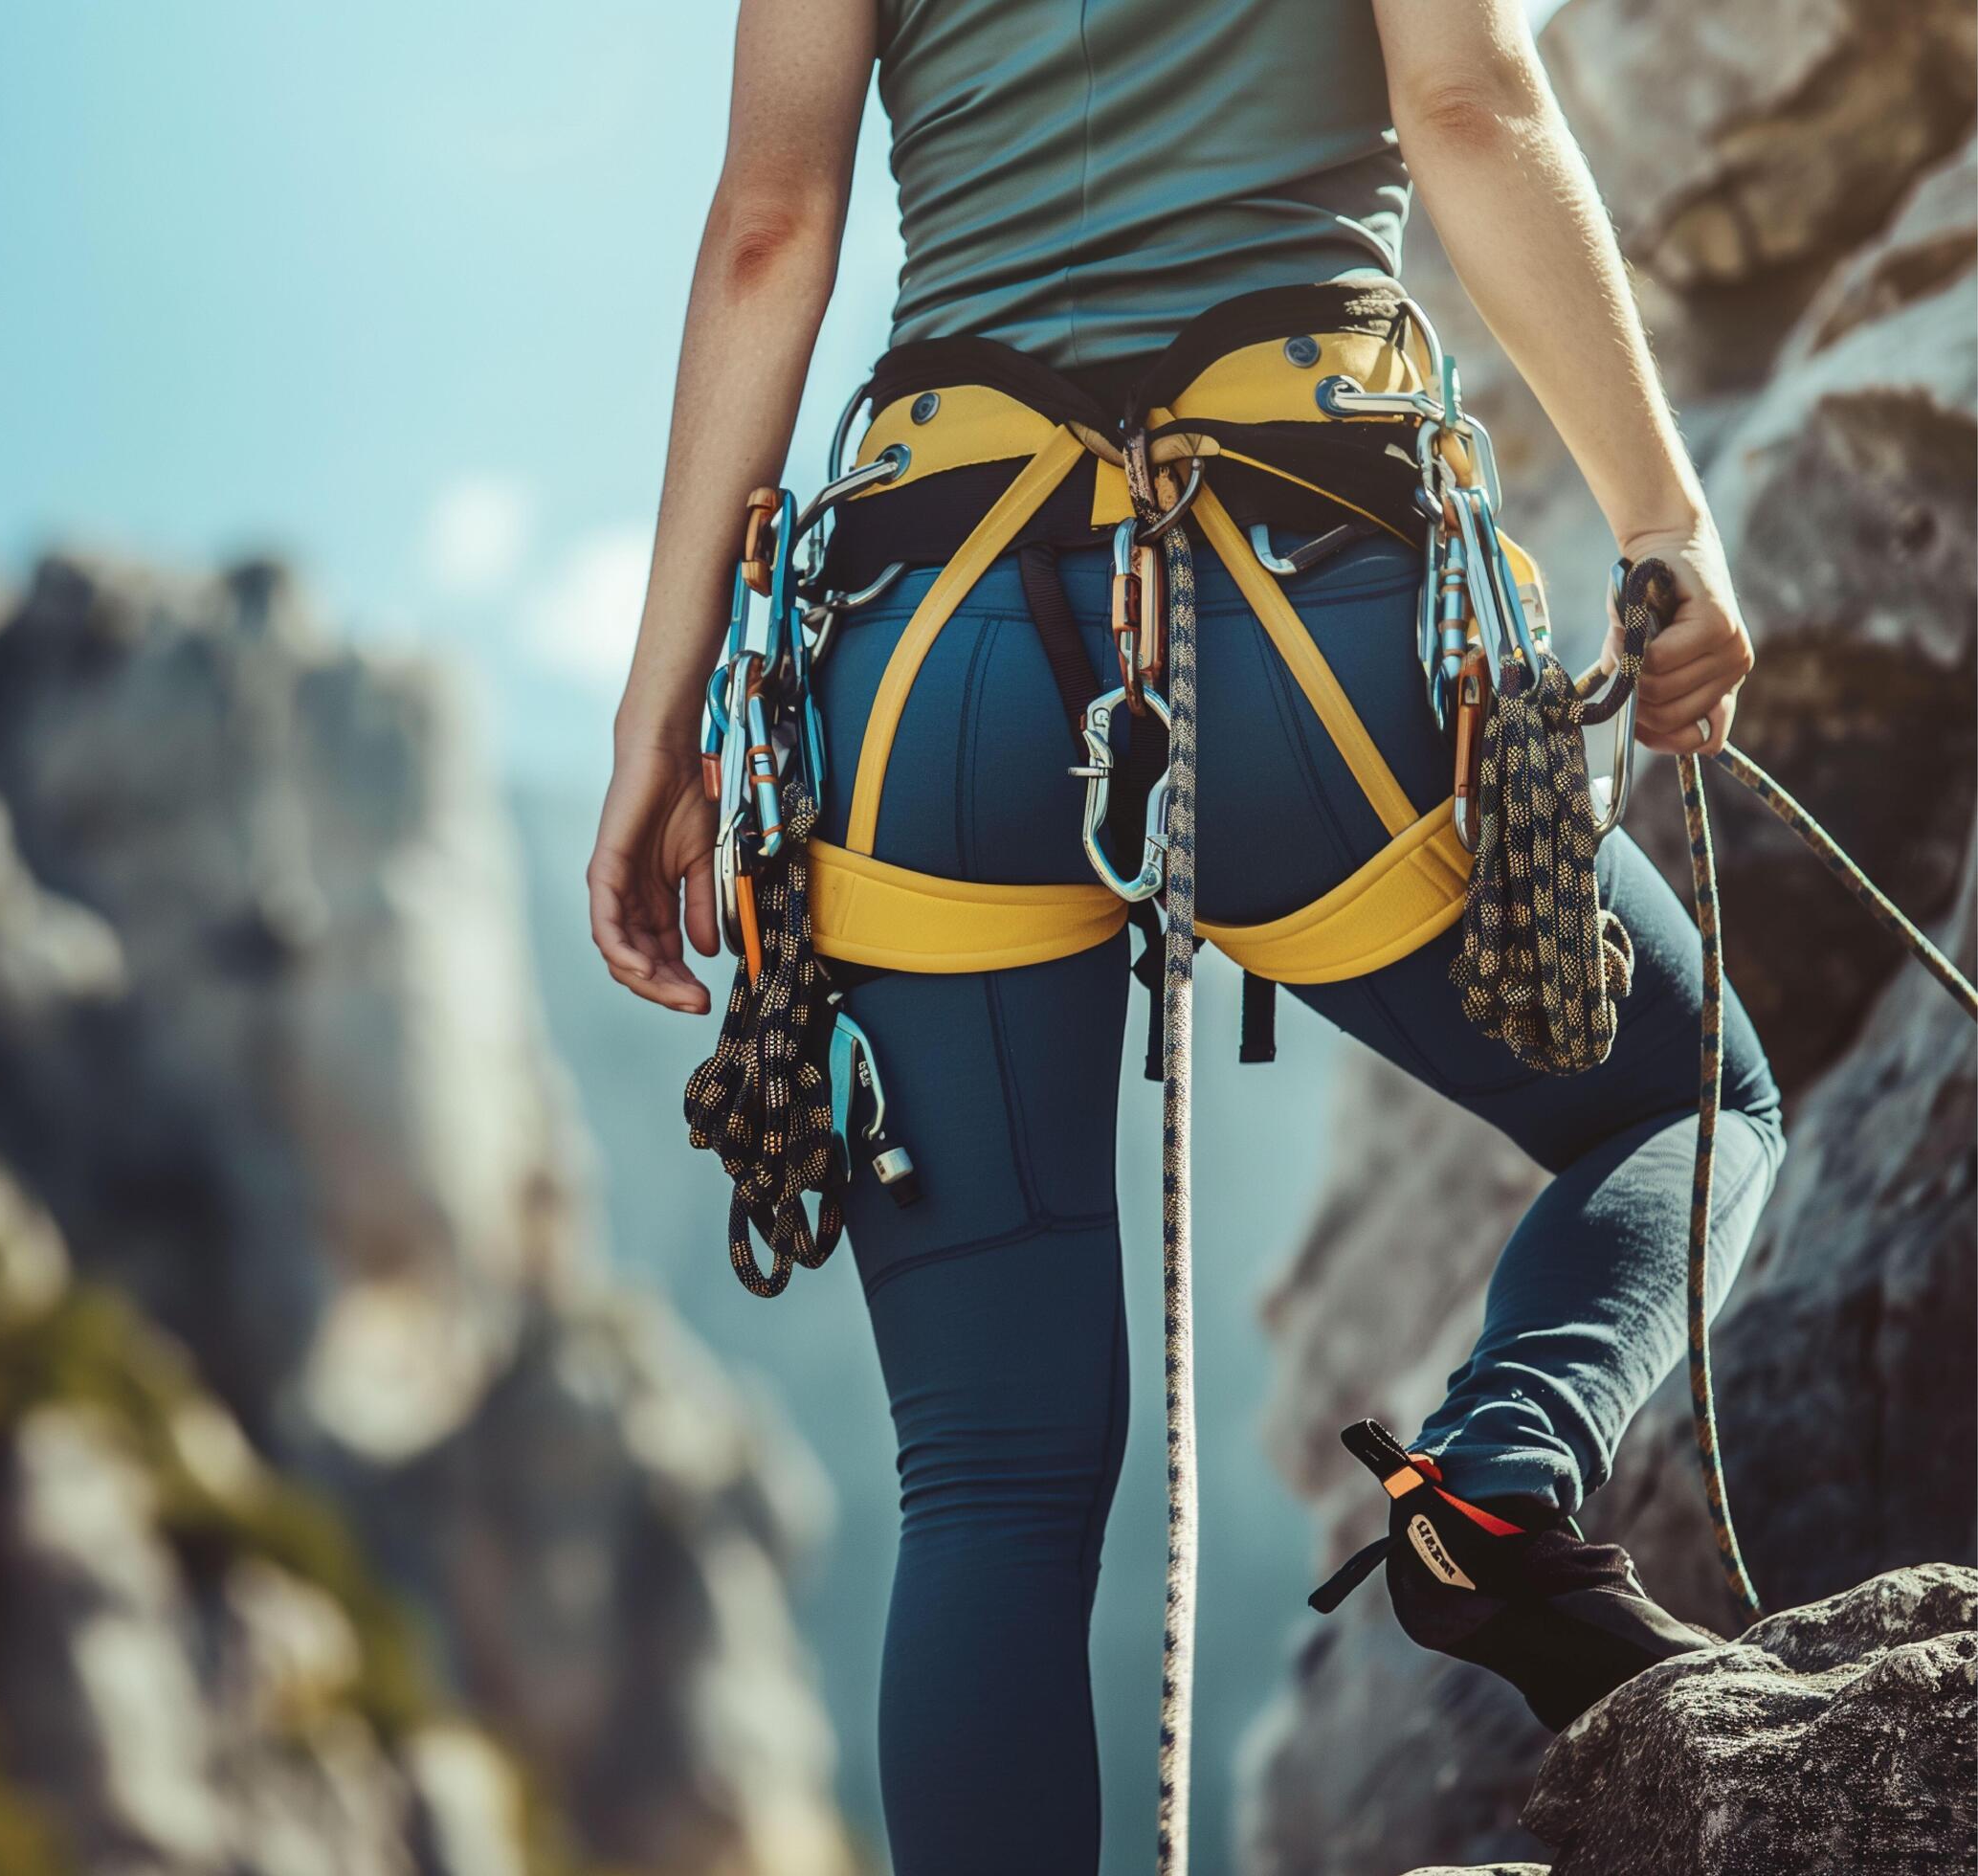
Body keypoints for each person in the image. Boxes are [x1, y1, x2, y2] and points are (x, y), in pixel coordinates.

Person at [585, 2, 1783, 1869]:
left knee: (986, 1474)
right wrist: (1666, 516)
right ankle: (1502, 1470)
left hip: (929, 653)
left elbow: (770, 226)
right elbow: (1469, 104)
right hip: (1300, 590)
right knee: (1694, 1101)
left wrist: (657, 719)